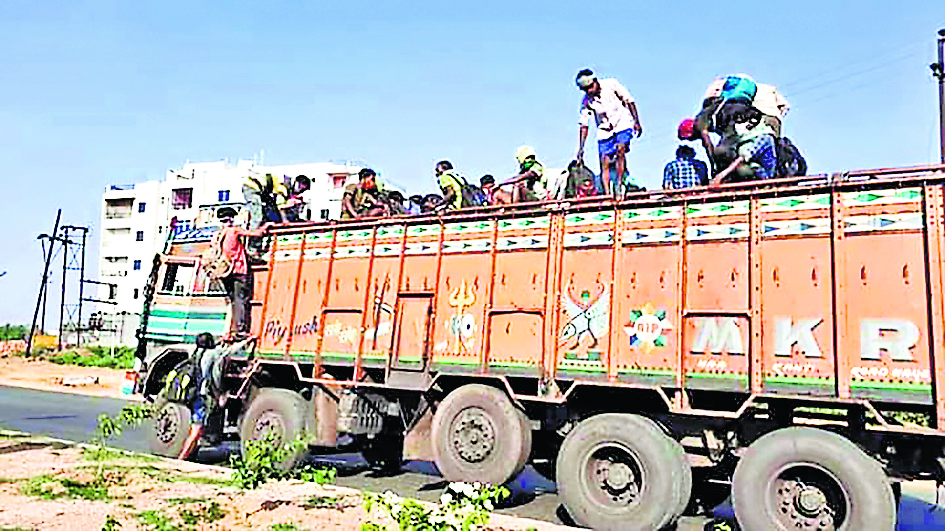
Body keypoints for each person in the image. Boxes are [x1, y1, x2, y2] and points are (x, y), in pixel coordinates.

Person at [575, 69, 643, 197]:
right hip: (604, 130)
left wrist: (636, 121)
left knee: (620, 149)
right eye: (585, 90)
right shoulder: (586, 101)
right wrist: (581, 148)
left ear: (595, 82)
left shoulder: (611, 85)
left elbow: (629, 101)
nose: (589, 91)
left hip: (621, 123)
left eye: (590, 87)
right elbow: (584, 124)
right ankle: (607, 193)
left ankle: (619, 184)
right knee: (604, 160)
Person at [215, 207, 270, 340]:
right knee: (241, 300)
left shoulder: (217, 235)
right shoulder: (234, 231)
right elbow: (258, 234)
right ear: (231, 219)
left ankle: (232, 330)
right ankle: (240, 331)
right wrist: (266, 225)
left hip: (224, 273)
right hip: (238, 271)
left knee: (233, 301)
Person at [710, 109, 778, 187]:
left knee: (741, 170)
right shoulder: (743, 138)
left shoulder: (764, 136)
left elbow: (744, 157)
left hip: (763, 175)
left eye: (740, 122)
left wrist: (722, 175)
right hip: (748, 169)